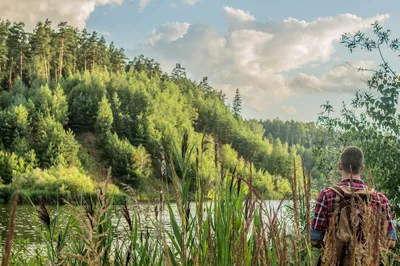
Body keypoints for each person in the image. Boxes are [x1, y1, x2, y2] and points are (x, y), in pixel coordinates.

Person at [310, 146, 397, 264]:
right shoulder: (380, 199)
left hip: (334, 261)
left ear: (340, 166)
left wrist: (335, 249)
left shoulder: (326, 195)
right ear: (362, 168)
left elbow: (315, 240)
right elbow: (391, 242)